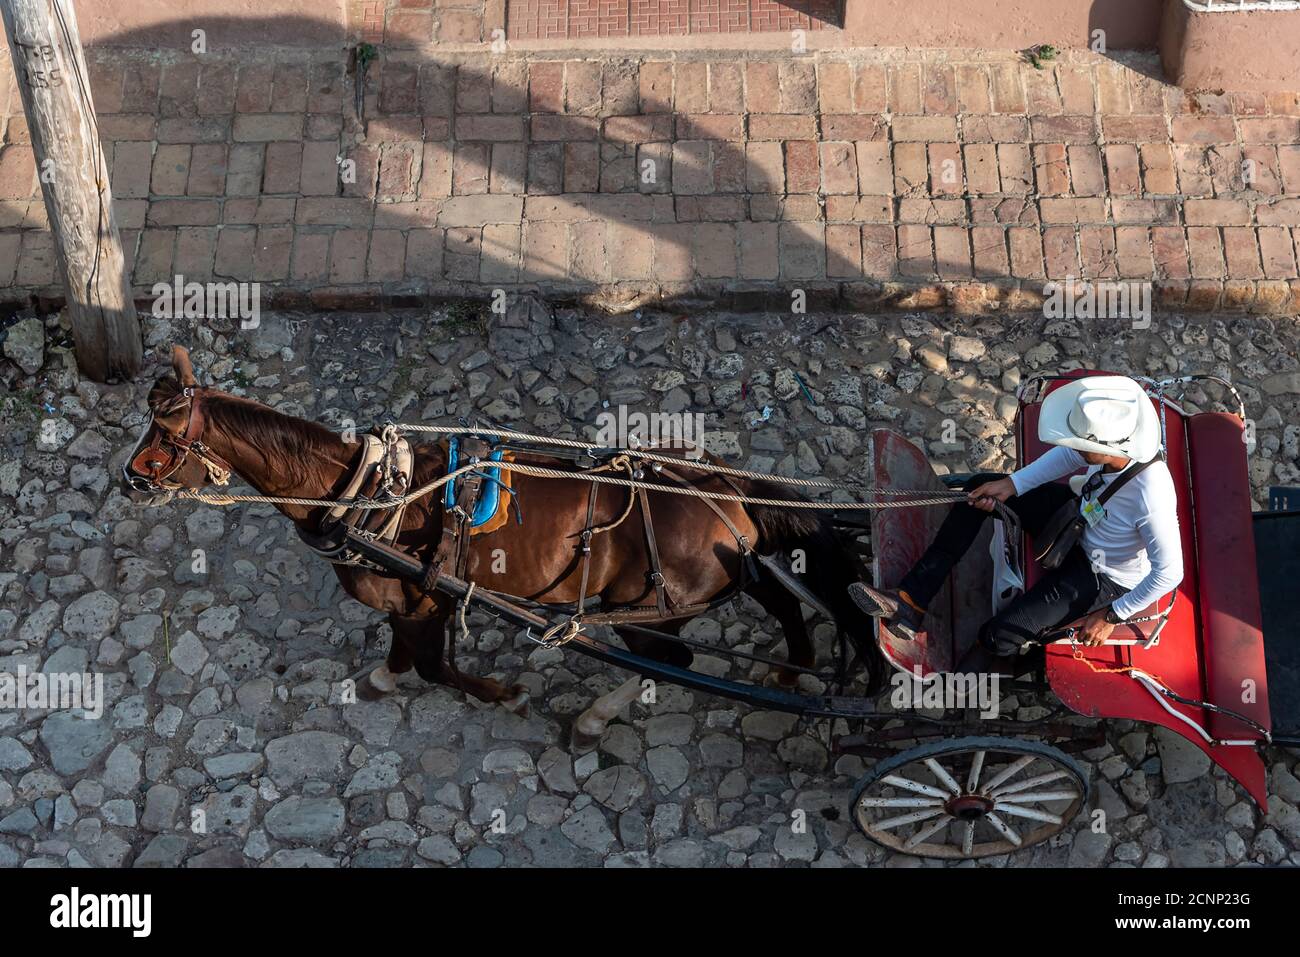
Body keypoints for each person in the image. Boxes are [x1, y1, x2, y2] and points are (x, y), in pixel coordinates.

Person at [849, 375, 1184, 673]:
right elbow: (1070, 455)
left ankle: (989, 660)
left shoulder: (1152, 494)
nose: (1075, 448)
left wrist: (1113, 615)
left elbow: (1169, 573)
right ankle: (912, 599)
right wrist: (1013, 485)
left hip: (1101, 575)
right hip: (1077, 518)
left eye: (1085, 446)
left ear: (1109, 450)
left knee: (999, 633)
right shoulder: (1109, 451)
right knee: (977, 491)